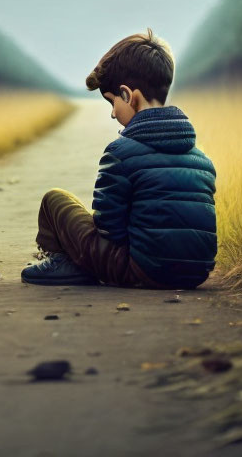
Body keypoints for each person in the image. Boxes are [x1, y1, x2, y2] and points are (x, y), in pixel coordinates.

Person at [21, 28, 217, 289]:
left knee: (55, 201)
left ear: (128, 95)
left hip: (139, 270)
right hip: (195, 273)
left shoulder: (121, 152)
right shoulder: (202, 160)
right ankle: (74, 265)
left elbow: (108, 229)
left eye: (112, 102)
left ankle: (64, 263)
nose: (113, 114)